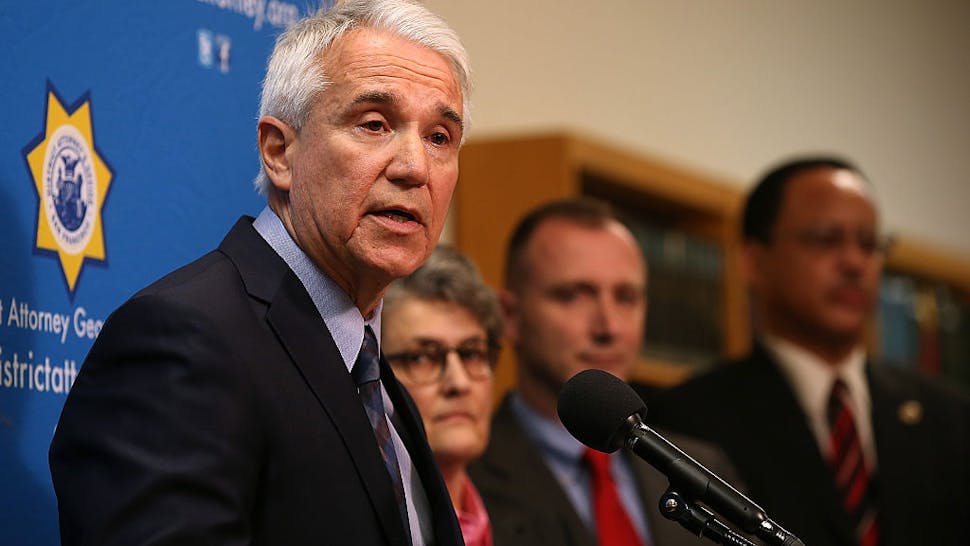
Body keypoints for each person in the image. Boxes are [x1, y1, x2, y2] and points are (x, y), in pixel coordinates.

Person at [48, 1, 471, 545]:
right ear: (279, 151)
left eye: (440, 137)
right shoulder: (184, 341)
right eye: (374, 124)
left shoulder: (380, 385)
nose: (414, 166)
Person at [649, 157, 970, 546]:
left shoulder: (949, 416)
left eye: (869, 244)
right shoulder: (691, 419)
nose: (854, 262)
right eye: (825, 239)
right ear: (753, 261)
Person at [468, 197, 743, 546]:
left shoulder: (703, 469)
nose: (609, 327)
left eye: (626, 298)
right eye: (573, 296)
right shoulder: (462, 472)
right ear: (509, 317)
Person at [382, 244, 501, 546]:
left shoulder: (526, 513)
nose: (458, 383)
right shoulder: (353, 520)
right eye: (422, 357)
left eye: (472, 353)